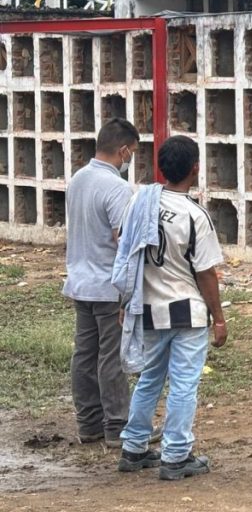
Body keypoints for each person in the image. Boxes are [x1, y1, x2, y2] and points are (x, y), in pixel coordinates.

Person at [117, 136, 227, 480]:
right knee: (183, 384)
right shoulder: (195, 215)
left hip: (147, 308)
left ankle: (134, 447)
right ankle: (176, 456)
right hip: (185, 310)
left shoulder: (141, 203)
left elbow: (125, 248)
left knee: (149, 379)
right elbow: (206, 273)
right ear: (195, 168)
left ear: (162, 168)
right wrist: (219, 318)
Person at [64, 118, 139, 448]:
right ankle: (118, 427)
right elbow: (121, 238)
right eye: (132, 152)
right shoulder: (117, 188)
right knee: (112, 357)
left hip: (80, 281)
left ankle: (89, 424)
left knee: (84, 354)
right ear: (123, 149)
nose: (131, 159)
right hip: (108, 286)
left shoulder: (78, 179)